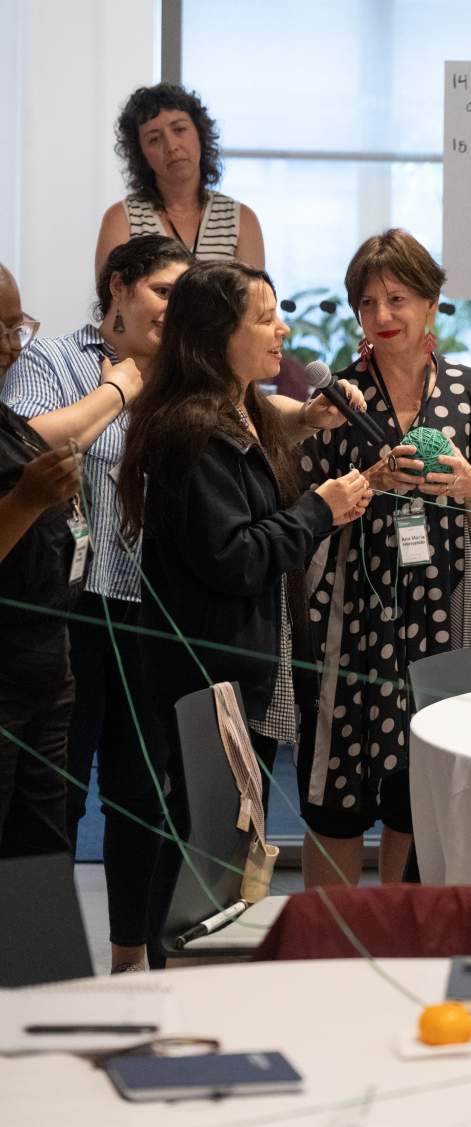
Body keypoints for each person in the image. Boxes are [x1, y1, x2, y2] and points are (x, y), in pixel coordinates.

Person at [117, 260, 372, 948]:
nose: (282, 328)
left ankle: (199, 972)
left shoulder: (236, 409)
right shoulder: (192, 429)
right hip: (208, 672)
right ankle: (175, 979)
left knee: (228, 835)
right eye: (264, 318)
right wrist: (320, 511)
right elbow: (234, 555)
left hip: (231, 664)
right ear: (213, 335)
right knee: (207, 835)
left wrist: (312, 427)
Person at [297, 229, 471, 888]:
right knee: (335, 803)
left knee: (421, 801)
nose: (383, 317)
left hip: (442, 623)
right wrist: (370, 479)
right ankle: (334, 952)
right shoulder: (335, 402)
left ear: (432, 303)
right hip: (352, 627)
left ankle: (407, 939)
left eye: (398, 298)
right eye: (367, 303)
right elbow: (300, 521)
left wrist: (469, 488)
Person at [2, 235, 194, 973]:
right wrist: (118, 391)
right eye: (163, 291)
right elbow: (21, 443)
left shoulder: (181, 379)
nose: (173, 310)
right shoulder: (55, 360)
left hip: (149, 609)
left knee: (142, 797)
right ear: (118, 287)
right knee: (55, 801)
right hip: (69, 611)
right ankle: (36, 971)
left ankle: (130, 967)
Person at [0, 263, 83, 857]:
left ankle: (37, 953)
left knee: (42, 851)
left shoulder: (7, 417)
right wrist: (29, 498)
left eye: (16, 328)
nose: (10, 348)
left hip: (46, 658)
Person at [95, 83, 264, 276]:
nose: (171, 146)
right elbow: (113, 303)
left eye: (179, 129)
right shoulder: (122, 220)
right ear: (141, 155)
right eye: (154, 139)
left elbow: (253, 304)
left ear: (200, 134)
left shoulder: (240, 220)